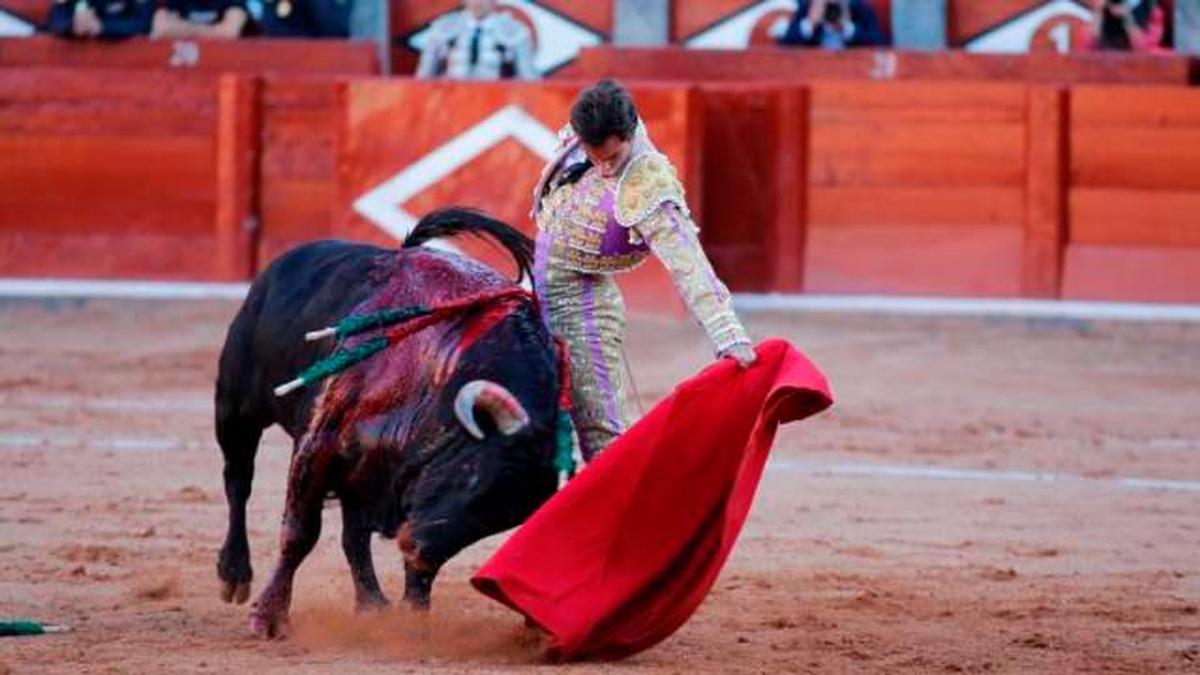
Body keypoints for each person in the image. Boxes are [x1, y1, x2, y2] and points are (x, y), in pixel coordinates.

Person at [531, 79, 756, 460]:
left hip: (582, 306)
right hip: (535, 283)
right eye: (594, 156)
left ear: (630, 134)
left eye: (613, 159)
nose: (603, 168)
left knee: (601, 436)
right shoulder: (584, 129)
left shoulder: (647, 184)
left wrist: (729, 335)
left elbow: (690, 265)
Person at [416, 0, 538, 80]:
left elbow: (529, 79)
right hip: (451, 102)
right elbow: (424, 77)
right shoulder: (443, 28)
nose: (478, 2)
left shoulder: (514, 31)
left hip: (498, 105)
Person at [777, 0, 886, 50]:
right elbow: (784, 47)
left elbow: (880, 44)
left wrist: (847, 28)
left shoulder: (860, 9)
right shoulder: (808, 8)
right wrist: (809, 24)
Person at [44, 0, 153, 39]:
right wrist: (73, 24)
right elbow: (55, 17)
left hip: (123, 62)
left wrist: (103, 27)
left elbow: (144, 22)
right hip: (79, 63)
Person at [1089, 0, 1166, 52]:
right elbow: (1090, 44)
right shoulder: (1103, 7)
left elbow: (1142, 48)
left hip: (1134, 64)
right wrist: (1098, 10)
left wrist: (1126, 17)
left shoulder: (1152, 11)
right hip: (1106, 58)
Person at [150, 0, 250, 39]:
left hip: (222, 63)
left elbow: (230, 32)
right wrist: (216, 31)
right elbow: (161, 29)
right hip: (184, 65)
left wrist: (180, 29)